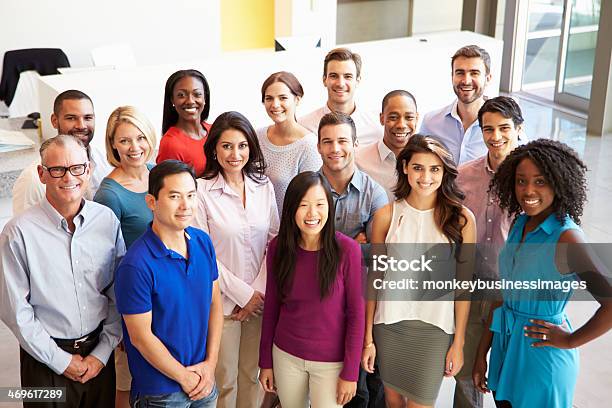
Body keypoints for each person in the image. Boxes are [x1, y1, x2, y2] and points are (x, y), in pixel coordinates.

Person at [472, 139, 612, 408]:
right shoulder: (520, 223)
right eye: (521, 181)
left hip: (541, 356)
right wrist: (482, 353)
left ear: (558, 183)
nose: (528, 190)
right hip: (506, 346)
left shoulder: (567, 239)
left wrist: (570, 340)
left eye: (540, 181)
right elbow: (502, 294)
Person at [0, 135, 125, 408]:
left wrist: (102, 353)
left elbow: (118, 294)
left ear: (89, 170)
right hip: (43, 363)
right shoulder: (17, 233)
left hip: (98, 359)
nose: (69, 177)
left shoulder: (106, 222)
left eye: (77, 168)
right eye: (57, 170)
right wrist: (61, 361)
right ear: (42, 174)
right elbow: (16, 312)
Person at [363, 135, 476, 408]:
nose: (426, 177)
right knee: (393, 402)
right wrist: (368, 338)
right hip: (389, 325)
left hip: (435, 330)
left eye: (434, 169)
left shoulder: (462, 219)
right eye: (418, 168)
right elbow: (375, 280)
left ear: (444, 172)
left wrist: (458, 343)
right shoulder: (386, 216)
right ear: (405, 168)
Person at [114, 160, 223, 407]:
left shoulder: (202, 242)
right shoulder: (135, 265)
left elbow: (215, 305)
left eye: (191, 195)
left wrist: (210, 364)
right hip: (161, 392)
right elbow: (141, 337)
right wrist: (184, 377)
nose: (185, 205)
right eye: (174, 196)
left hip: (203, 379)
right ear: (152, 202)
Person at [194, 111, 279, 407]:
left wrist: (257, 293)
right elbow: (201, 253)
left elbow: (274, 242)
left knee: (254, 379)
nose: (235, 154)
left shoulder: (263, 187)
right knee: (225, 381)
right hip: (222, 303)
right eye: (227, 146)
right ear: (214, 149)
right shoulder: (200, 191)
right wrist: (242, 294)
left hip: (260, 301)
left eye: (242, 145)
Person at [259, 171, 365, 407]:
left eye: (319, 204)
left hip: (331, 363)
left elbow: (357, 315)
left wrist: (350, 372)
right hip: (286, 356)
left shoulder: (347, 250)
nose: (312, 214)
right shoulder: (278, 248)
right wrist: (266, 361)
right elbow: (272, 307)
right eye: (303, 205)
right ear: (291, 209)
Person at [452, 96, 523, 408]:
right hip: (472, 284)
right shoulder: (463, 174)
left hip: (512, 291)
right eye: (488, 129)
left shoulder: (531, 180)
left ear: (519, 129)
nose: (496, 137)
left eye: (504, 128)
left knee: (507, 377)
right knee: (466, 373)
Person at [317, 112, 387, 408]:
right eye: (327, 142)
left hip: (361, 303)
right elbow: (298, 249)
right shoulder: (306, 187)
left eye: (343, 141)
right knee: (323, 389)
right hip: (316, 303)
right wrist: (356, 245)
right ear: (318, 146)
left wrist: (331, 246)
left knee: (365, 390)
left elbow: (382, 257)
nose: (335, 149)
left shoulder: (374, 193)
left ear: (355, 144)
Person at [93, 105, 157, 407]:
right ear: (113, 144)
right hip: (132, 303)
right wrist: (116, 323)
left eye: (140, 138)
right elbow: (104, 264)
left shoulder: (159, 174)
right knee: (127, 384)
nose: (135, 148)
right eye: (125, 140)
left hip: (164, 296)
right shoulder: (109, 194)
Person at [12, 89, 112, 215]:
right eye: (71, 118)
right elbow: (25, 230)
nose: (81, 125)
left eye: (88, 118)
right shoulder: (32, 179)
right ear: (54, 121)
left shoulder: (104, 161)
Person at [257, 71, 322, 214]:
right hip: (256, 228)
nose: (275, 104)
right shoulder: (257, 136)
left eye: (283, 98)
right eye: (269, 98)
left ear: (297, 99)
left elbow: (311, 199)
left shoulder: (309, 145)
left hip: (288, 230)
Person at [419, 45, 492, 165]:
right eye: (460, 73)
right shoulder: (430, 123)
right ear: (452, 77)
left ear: (488, 79)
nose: (466, 81)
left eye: (474, 73)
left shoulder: (503, 128)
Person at [300, 48, 380, 146]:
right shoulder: (304, 127)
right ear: (324, 80)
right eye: (334, 76)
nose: (340, 84)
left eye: (348, 76)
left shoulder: (376, 126)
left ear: (357, 81)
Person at [356, 90, 419, 201]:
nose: (401, 125)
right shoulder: (358, 161)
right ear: (382, 118)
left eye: (409, 117)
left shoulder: (429, 160)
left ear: (417, 119)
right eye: (393, 117)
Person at [156, 69, 212, 177]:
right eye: (181, 95)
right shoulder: (171, 144)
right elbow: (168, 188)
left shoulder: (215, 130)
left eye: (197, 94)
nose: (190, 101)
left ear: (205, 97)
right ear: (172, 99)